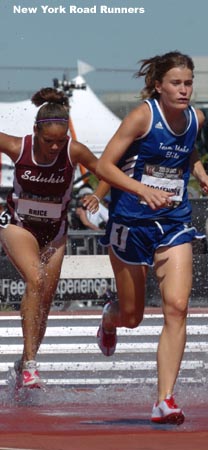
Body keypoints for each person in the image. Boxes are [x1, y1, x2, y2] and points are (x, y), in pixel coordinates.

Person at [94, 51, 208, 425]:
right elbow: (103, 165)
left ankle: (164, 399)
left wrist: (199, 175)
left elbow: (188, 151)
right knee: (132, 317)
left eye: (189, 83)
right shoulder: (142, 116)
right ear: (159, 86)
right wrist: (140, 190)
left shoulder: (196, 118)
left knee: (177, 307)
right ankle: (109, 319)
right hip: (131, 223)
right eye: (177, 84)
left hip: (174, 220)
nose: (184, 90)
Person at [0, 87, 107, 389]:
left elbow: (107, 172)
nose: (54, 148)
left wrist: (97, 196)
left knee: (44, 300)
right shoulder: (16, 146)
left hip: (55, 230)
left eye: (60, 142)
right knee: (35, 279)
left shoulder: (75, 151)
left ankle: (25, 361)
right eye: (48, 142)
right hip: (16, 223)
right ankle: (32, 366)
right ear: (36, 132)